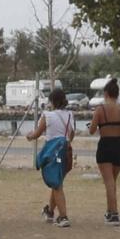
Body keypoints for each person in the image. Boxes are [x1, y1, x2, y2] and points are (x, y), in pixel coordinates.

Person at [28, 87, 76, 227]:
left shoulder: (47, 115)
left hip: (52, 153)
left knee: (57, 186)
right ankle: (49, 212)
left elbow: (37, 134)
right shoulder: (69, 115)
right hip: (65, 152)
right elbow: (72, 134)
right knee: (57, 182)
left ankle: (63, 216)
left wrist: (29, 136)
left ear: (52, 101)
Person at [88, 80, 120, 225]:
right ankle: (110, 211)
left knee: (109, 182)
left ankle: (114, 214)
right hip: (119, 146)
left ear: (105, 94)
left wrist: (100, 126)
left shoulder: (100, 110)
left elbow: (92, 130)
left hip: (105, 145)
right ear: (117, 95)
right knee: (111, 182)